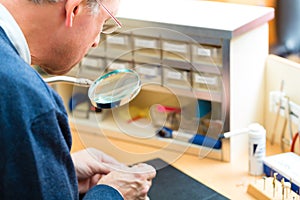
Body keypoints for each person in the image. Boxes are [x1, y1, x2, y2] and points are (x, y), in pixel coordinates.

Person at [0, 0, 156, 199]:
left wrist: (54, 171)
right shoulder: (28, 101)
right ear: (76, 8)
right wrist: (112, 193)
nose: (96, 41)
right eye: (104, 23)